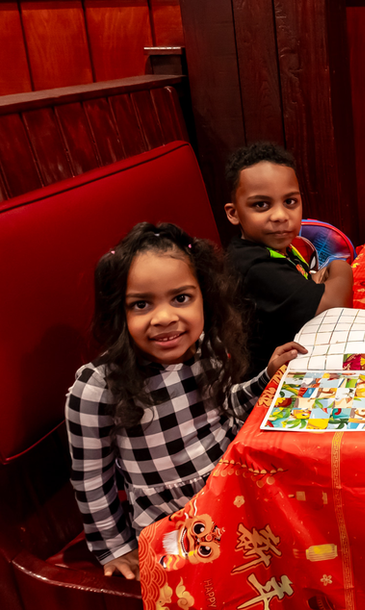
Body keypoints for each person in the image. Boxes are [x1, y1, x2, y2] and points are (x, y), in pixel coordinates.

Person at [66, 222, 306, 580]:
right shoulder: (97, 387)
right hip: (169, 528)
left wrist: (265, 378)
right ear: (120, 313)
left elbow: (227, 410)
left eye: (181, 298)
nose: (164, 318)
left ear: (204, 297)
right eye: (141, 304)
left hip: (233, 497)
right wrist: (115, 549)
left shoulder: (207, 347)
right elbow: (91, 481)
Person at [224, 142, 353, 375]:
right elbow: (334, 305)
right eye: (261, 205)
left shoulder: (275, 247)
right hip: (272, 381)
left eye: (290, 202)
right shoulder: (254, 265)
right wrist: (339, 265)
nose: (281, 216)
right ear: (234, 213)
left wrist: (320, 284)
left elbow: (308, 282)